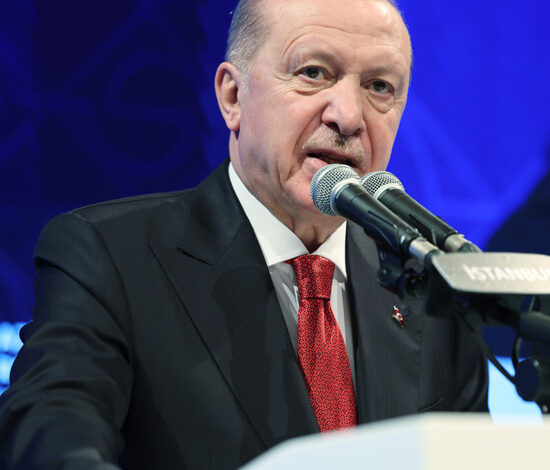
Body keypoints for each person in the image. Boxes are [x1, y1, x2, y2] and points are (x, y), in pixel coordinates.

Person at [0, 0, 488, 468]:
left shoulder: (431, 288)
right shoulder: (110, 257)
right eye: (313, 73)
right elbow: (50, 440)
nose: (348, 116)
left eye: (379, 86)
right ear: (233, 97)